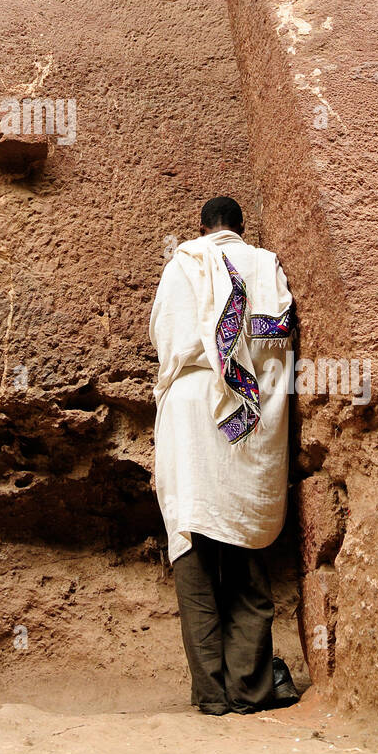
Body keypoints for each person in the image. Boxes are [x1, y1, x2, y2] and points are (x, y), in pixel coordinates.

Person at [149, 196, 299, 715]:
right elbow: (277, 343)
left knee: (193, 550)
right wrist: (262, 408)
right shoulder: (264, 263)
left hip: (188, 413)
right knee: (245, 551)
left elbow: (166, 340)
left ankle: (211, 695)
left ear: (201, 228)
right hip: (247, 412)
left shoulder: (180, 263)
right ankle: (250, 688)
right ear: (241, 228)